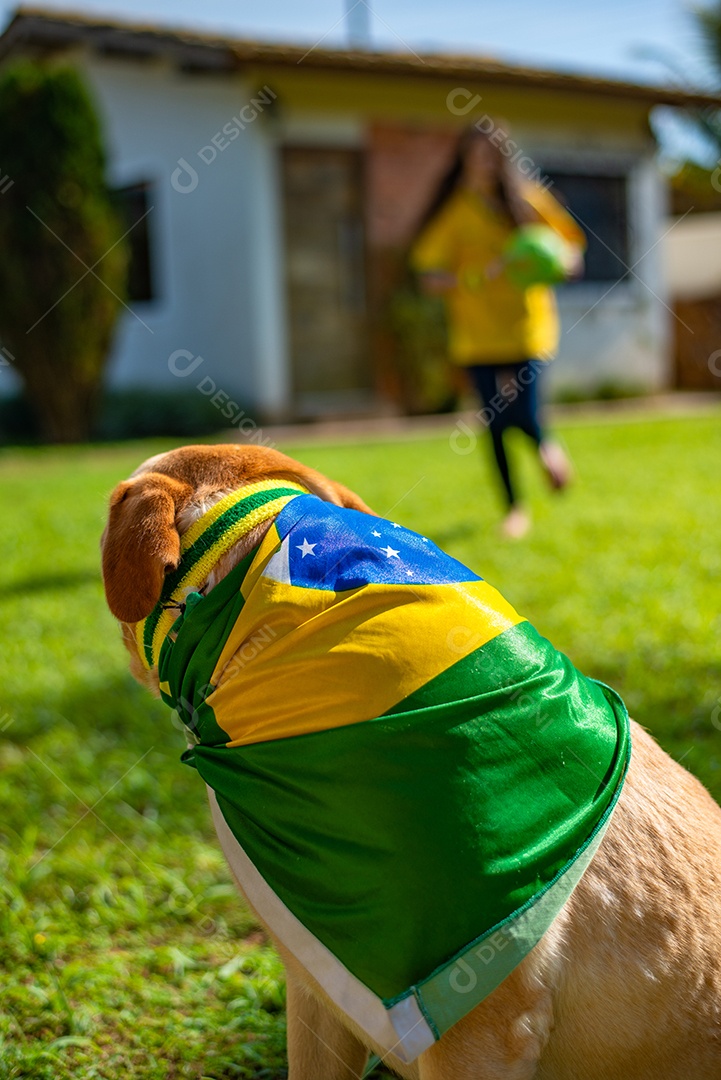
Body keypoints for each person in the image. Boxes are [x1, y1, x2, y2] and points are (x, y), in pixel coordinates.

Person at [411, 123, 586, 539]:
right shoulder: (455, 213)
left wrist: (561, 264)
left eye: (492, 154)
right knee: (494, 420)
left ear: (504, 158)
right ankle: (514, 509)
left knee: (525, 408)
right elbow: (427, 276)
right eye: (477, 155)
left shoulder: (528, 201)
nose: (484, 163)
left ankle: (547, 448)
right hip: (477, 335)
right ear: (464, 160)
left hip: (529, 327)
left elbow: (571, 248)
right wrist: (472, 279)